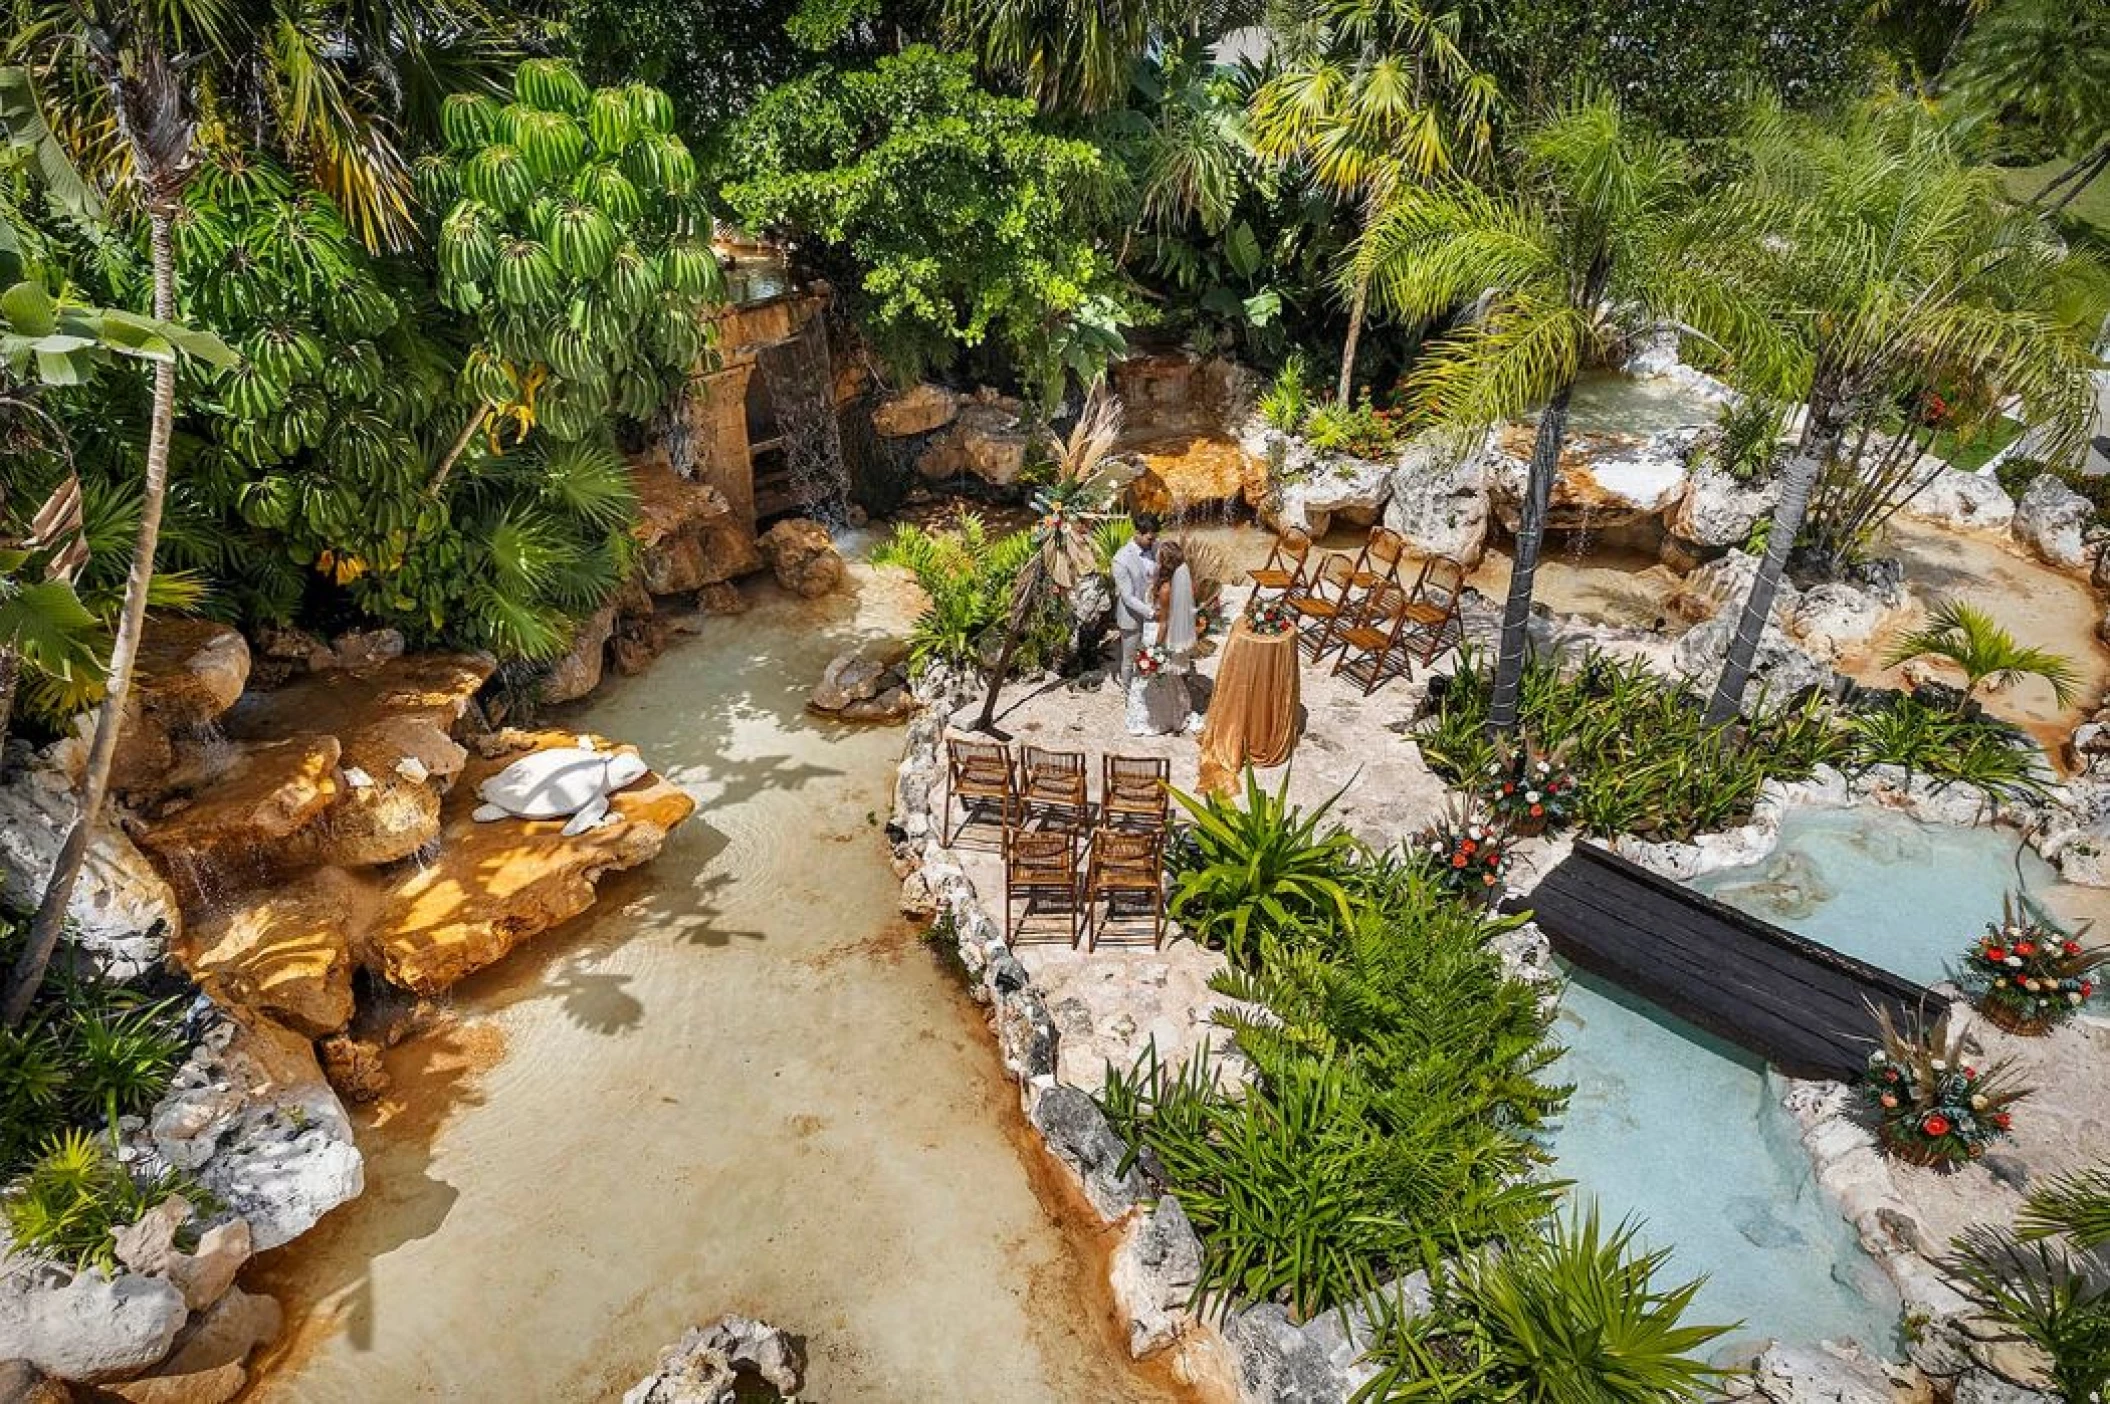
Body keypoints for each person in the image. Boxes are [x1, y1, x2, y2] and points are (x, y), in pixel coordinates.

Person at [1127, 540, 1199, 736]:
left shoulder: (1166, 589)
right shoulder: (1175, 581)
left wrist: (1155, 649)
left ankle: (1157, 719)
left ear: (1164, 562)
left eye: (1159, 555)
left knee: (1151, 676)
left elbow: (1165, 622)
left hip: (1157, 634)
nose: (1156, 557)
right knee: (1161, 678)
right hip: (1153, 626)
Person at [1111, 512, 1160, 685]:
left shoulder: (1155, 547)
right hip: (1132, 618)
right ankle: (1128, 695)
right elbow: (1128, 596)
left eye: (1154, 538)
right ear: (1137, 534)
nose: (1153, 543)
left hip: (1155, 614)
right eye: (1149, 539)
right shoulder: (1120, 559)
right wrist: (1151, 613)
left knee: (1152, 655)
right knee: (1129, 660)